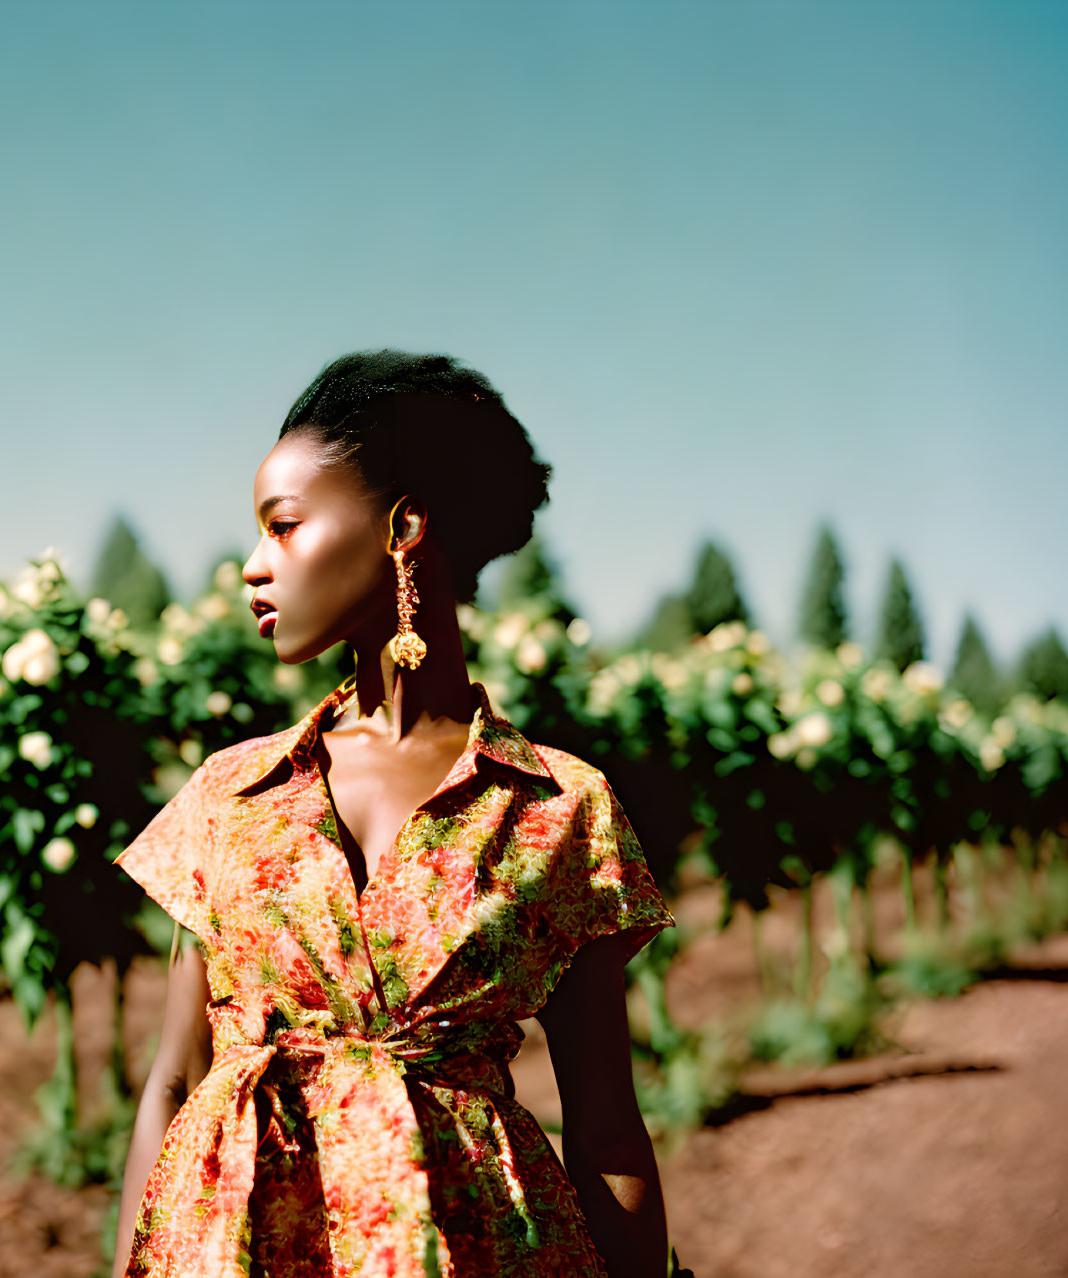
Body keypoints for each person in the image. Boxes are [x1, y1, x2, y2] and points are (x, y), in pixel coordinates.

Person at [111, 350, 677, 1278]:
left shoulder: (558, 806)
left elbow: (605, 1120)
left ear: (402, 526)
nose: (253, 567)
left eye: (283, 526)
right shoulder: (229, 793)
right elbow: (173, 1082)